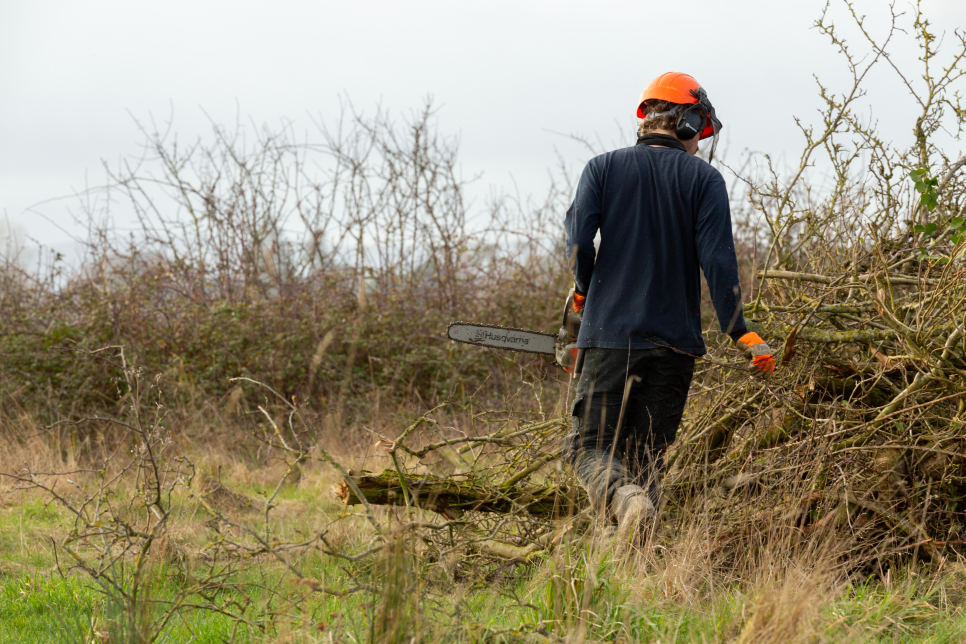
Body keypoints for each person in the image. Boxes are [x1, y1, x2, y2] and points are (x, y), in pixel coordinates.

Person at [562, 72, 776, 540]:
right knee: (646, 458)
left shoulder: (601, 168)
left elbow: (579, 240)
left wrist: (583, 288)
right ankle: (638, 567)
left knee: (589, 450)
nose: (699, 144)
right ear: (687, 120)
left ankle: (624, 500)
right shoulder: (704, 179)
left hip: (610, 338)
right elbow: (718, 261)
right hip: (675, 347)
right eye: (699, 132)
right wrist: (740, 330)